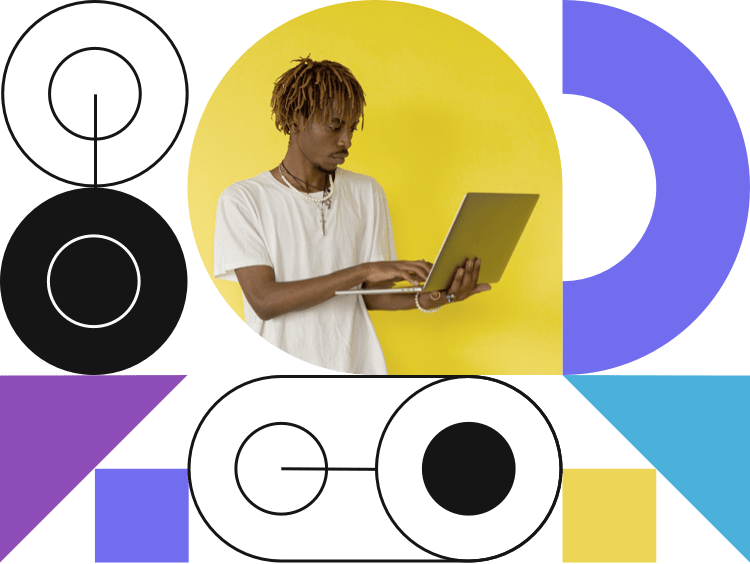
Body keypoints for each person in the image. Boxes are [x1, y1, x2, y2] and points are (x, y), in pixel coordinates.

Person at [214, 56, 490, 374]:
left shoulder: (366, 192)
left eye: (351, 128)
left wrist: (432, 298)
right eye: (334, 126)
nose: (346, 140)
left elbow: (368, 297)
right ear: (294, 120)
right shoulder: (244, 200)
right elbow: (264, 301)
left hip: (358, 369)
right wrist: (365, 270)